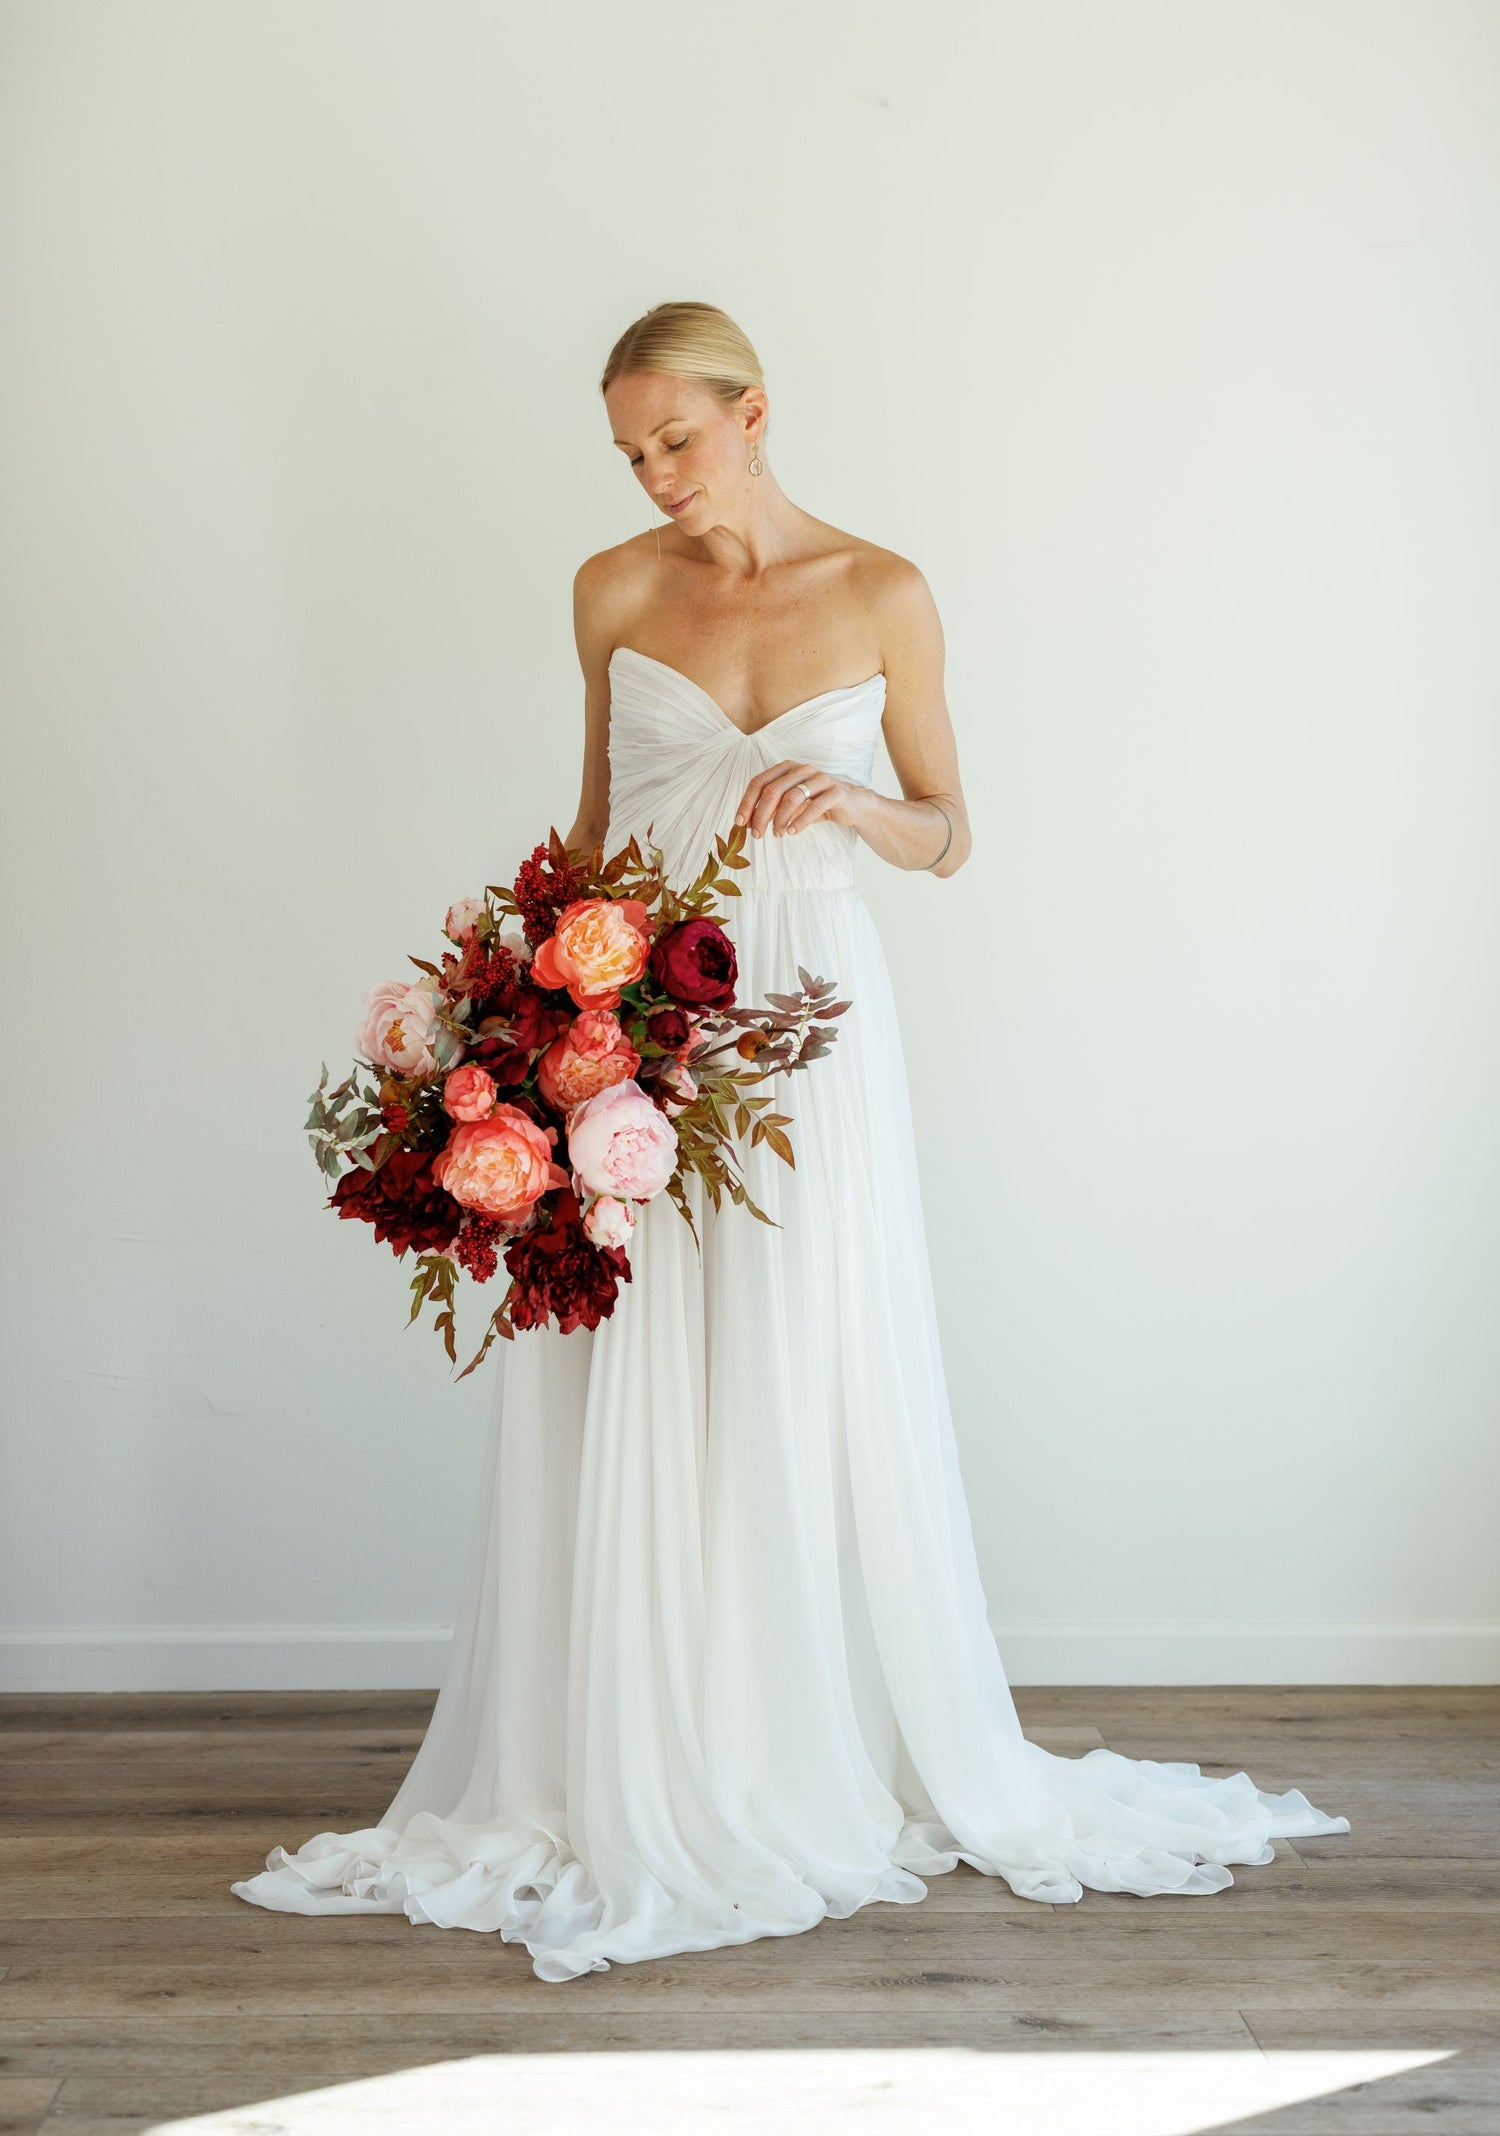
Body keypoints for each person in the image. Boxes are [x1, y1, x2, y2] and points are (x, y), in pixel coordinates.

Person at [232, 300, 1347, 1981]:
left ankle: (793, 1738)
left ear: (755, 412)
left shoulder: (883, 590)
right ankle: (640, 1743)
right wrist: (518, 1035)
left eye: (676, 438)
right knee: (639, 1362)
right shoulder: (611, 590)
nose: (654, 475)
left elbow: (952, 830)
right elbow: (595, 832)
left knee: (798, 1348)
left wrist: (867, 808)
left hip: (807, 1033)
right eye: (630, 452)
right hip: (638, 1030)